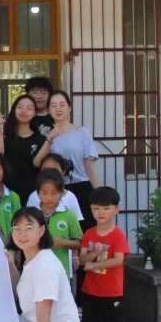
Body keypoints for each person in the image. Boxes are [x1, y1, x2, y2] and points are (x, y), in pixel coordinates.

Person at [8, 208, 81, 322]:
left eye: (28, 228)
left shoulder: (45, 265)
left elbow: (43, 312)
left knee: (3, 320)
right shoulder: (33, 259)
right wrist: (10, 265)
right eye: (17, 228)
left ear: (42, 230)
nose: (22, 234)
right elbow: (20, 293)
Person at [73, 186, 130, 322]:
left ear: (116, 210)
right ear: (91, 209)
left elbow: (119, 260)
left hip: (112, 291)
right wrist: (94, 254)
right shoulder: (89, 233)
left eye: (106, 208)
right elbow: (82, 259)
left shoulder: (118, 234)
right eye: (96, 208)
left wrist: (94, 264)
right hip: (91, 289)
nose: (101, 212)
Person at [35, 90, 100, 230]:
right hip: (55, 190)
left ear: (69, 108)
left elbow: (89, 165)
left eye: (62, 105)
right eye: (53, 105)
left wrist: (98, 192)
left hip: (81, 186)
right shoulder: (45, 136)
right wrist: (50, 138)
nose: (58, 109)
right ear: (49, 109)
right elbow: (37, 163)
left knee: (85, 229)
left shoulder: (82, 132)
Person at [0, 94, 44, 202]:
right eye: (20, 107)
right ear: (14, 110)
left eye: (29, 108)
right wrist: (0, 130)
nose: (24, 111)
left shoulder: (41, 139)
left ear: (34, 113)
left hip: (32, 192)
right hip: (6, 191)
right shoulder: (3, 135)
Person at [36, 170, 83, 279]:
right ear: (38, 193)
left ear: (61, 193)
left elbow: (79, 242)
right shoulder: (32, 214)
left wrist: (62, 242)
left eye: (54, 193)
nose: (49, 197)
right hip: (37, 270)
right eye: (44, 193)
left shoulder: (69, 215)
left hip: (61, 270)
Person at [25, 154, 84, 221]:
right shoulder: (34, 196)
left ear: (63, 172)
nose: (50, 174)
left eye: (54, 170)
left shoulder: (70, 197)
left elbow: (77, 222)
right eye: (46, 170)